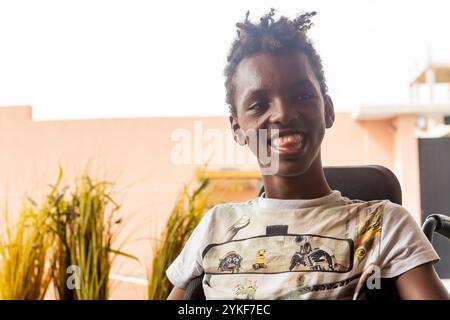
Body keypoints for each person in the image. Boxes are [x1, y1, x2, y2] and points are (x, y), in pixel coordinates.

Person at [166, 9, 449, 300]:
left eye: (301, 96)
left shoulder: (385, 225)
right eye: (259, 105)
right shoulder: (216, 225)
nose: (283, 114)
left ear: (327, 110)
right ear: (237, 129)